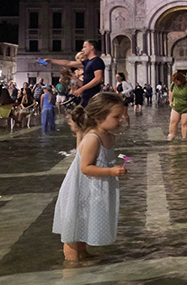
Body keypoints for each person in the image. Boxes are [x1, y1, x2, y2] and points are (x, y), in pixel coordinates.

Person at [51, 93, 129, 261]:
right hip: (79, 189)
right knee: (73, 228)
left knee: (83, 222)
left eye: (121, 116)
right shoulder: (93, 138)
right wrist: (110, 172)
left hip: (92, 189)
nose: (120, 120)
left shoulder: (109, 137)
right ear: (99, 117)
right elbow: (85, 168)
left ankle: (83, 254)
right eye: (116, 116)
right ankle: (71, 264)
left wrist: (114, 170)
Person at [47, 41, 105, 107]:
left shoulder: (97, 61)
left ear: (92, 47)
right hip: (84, 96)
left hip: (92, 97)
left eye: (84, 47)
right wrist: (51, 60)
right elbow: (68, 63)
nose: (82, 49)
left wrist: (81, 89)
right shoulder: (87, 63)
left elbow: (98, 79)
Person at [168, 72, 187, 139]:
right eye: (174, 82)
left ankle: (185, 139)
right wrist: (170, 101)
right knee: (173, 122)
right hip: (176, 106)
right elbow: (170, 91)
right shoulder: (173, 84)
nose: (175, 83)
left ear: (181, 80)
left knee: (184, 123)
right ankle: (171, 137)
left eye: (177, 82)